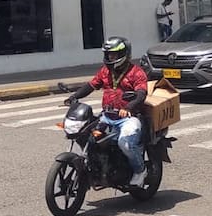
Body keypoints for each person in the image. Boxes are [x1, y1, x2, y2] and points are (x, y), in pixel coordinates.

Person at [64, 37, 150, 187]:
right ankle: (95, 168)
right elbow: (91, 85)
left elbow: (141, 94)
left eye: (114, 55)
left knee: (126, 144)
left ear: (124, 54)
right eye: (109, 54)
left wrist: (128, 107)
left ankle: (139, 170)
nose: (111, 57)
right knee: (85, 135)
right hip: (107, 116)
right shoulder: (105, 71)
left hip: (129, 117)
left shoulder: (136, 72)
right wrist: (74, 97)